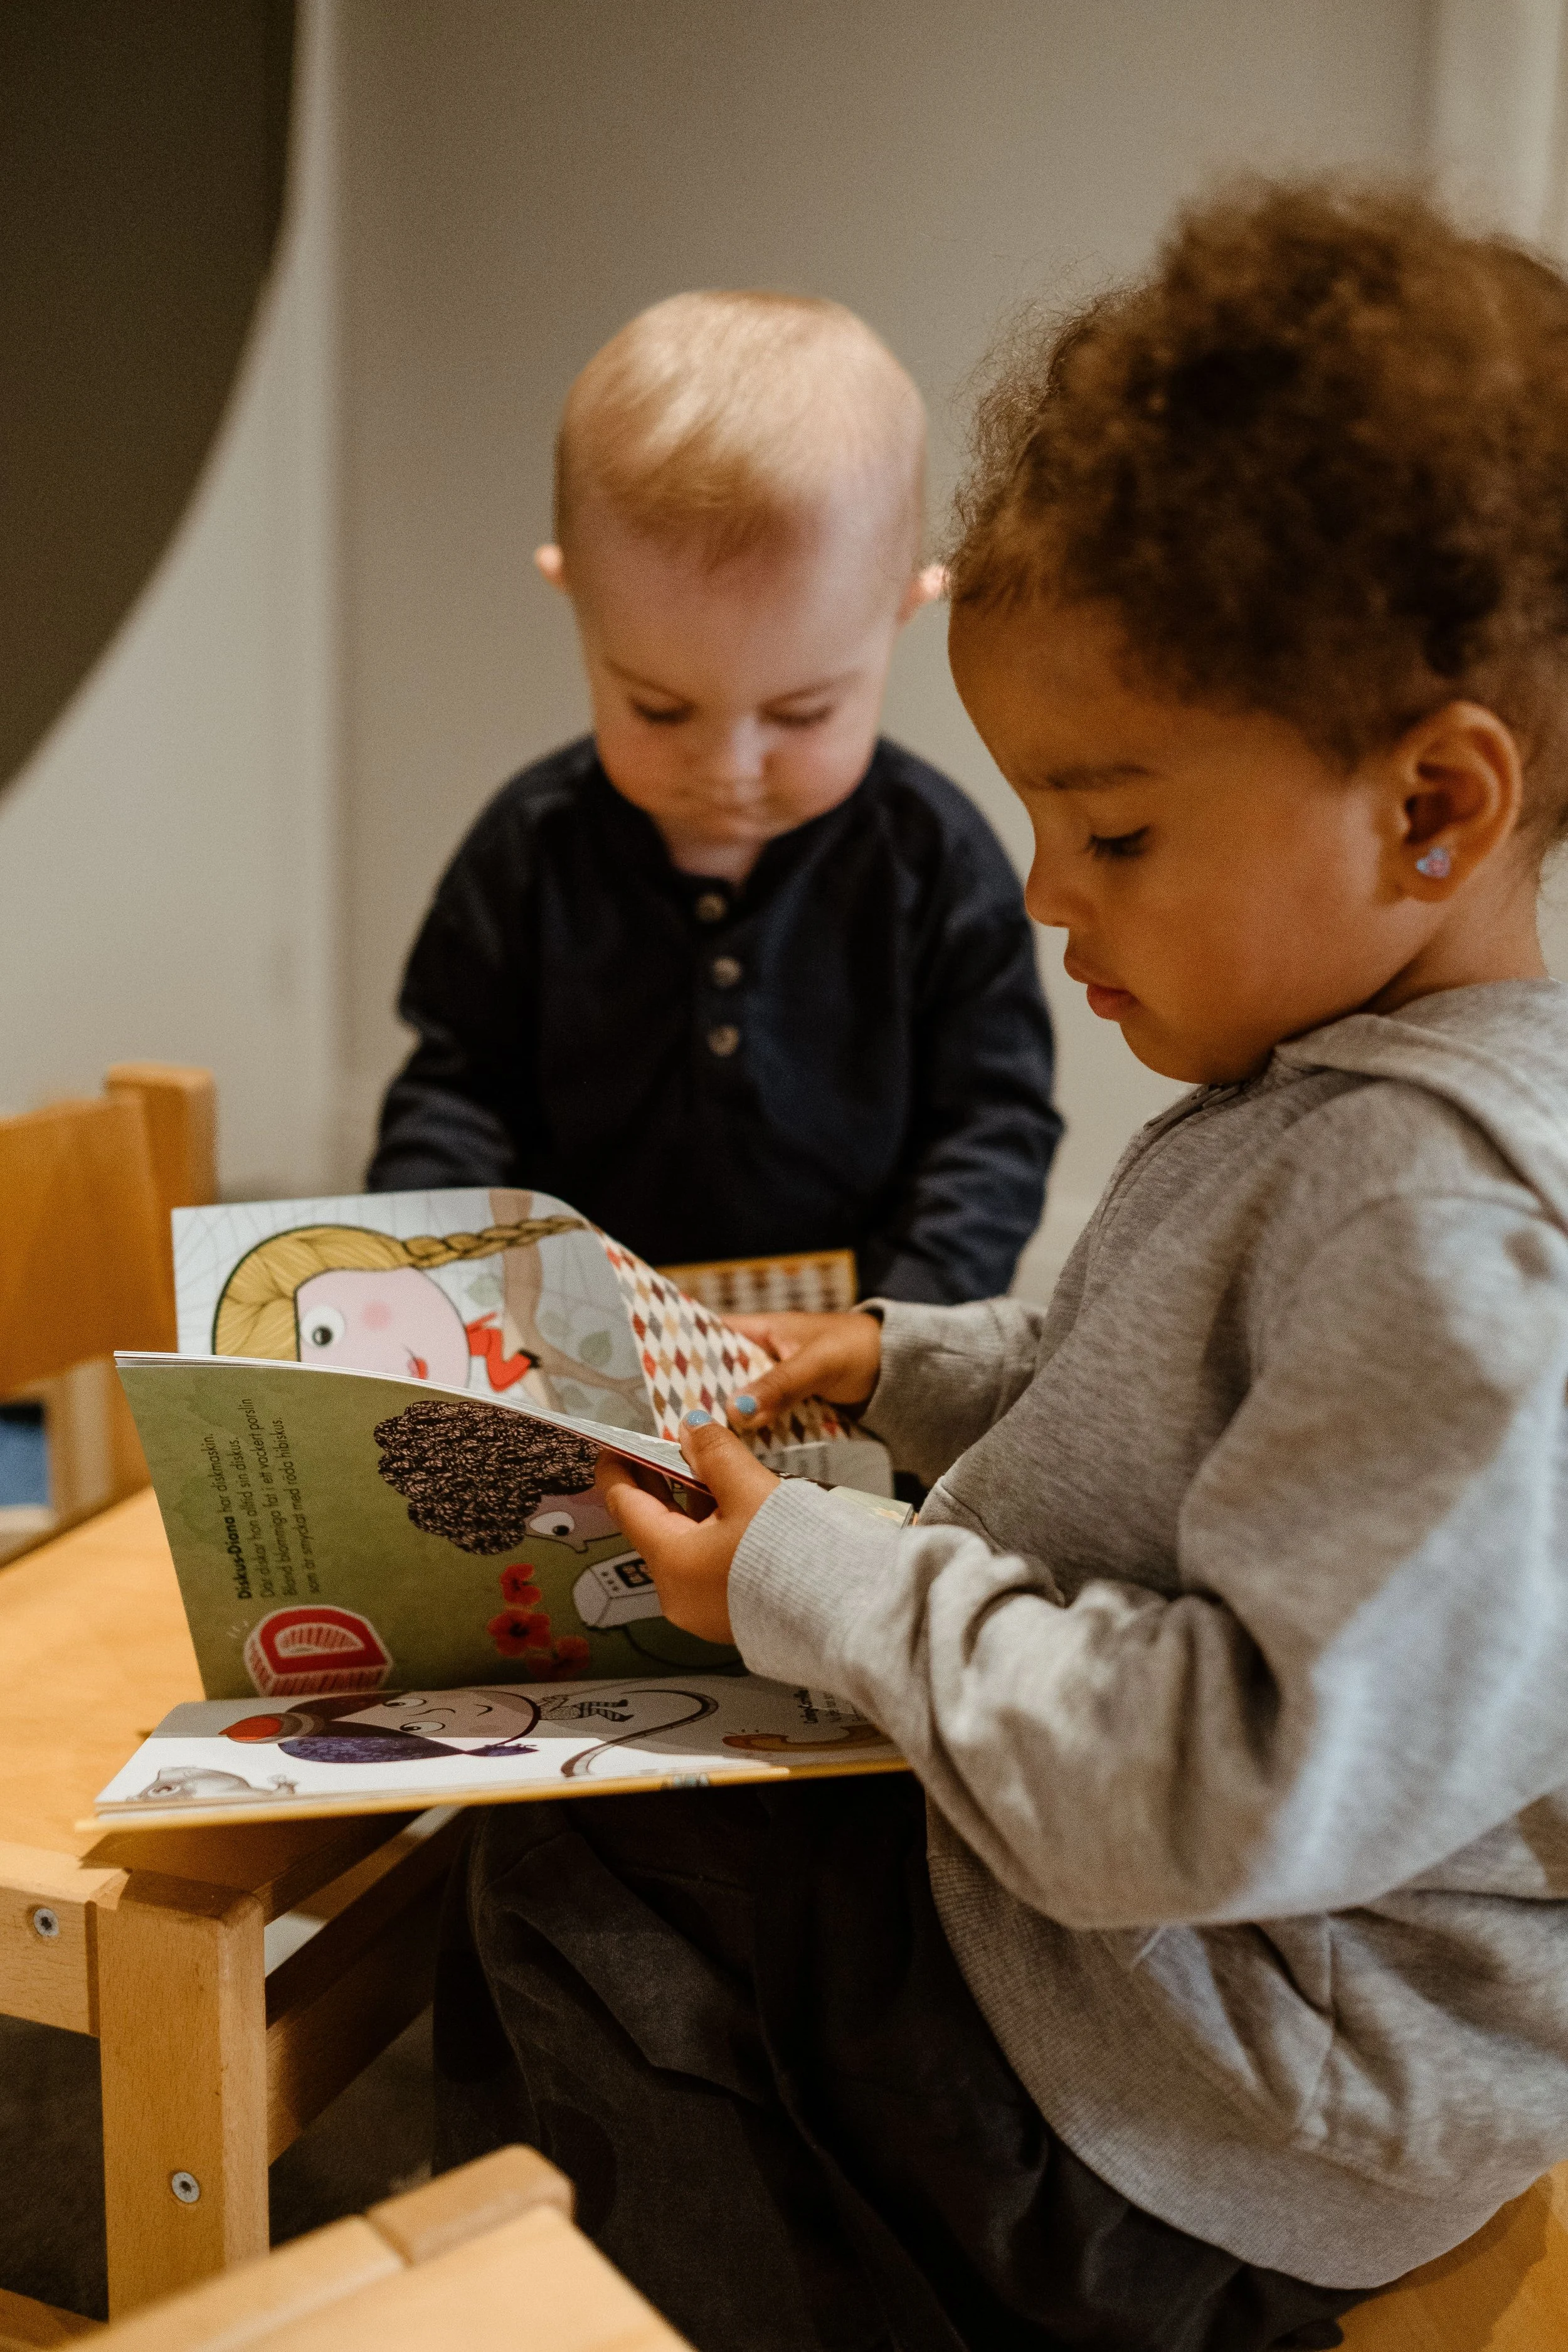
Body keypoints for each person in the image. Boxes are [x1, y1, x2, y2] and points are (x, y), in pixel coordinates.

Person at [435, 182, 1568, 2350]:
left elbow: (1224, 1781)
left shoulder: (1444, 1222)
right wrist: (896, 1361)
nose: (1047, 892)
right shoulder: (1359, 1105)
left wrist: (820, 1586)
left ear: (1432, 807)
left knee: (588, 1862)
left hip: (1214, 2132)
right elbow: (1165, 1393)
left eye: (1118, 828)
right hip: (1220, 2030)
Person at [368, 291, 1061, 1305]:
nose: (730, 766)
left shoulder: (937, 863)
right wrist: (434, 1285)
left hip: (848, 1349)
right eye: (658, 709)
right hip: (571, 1342)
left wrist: (902, 1327)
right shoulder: (532, 846)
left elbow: (990, 1129)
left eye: (799, 714)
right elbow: (455, 1094)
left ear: (903, 613)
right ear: (573, 599)